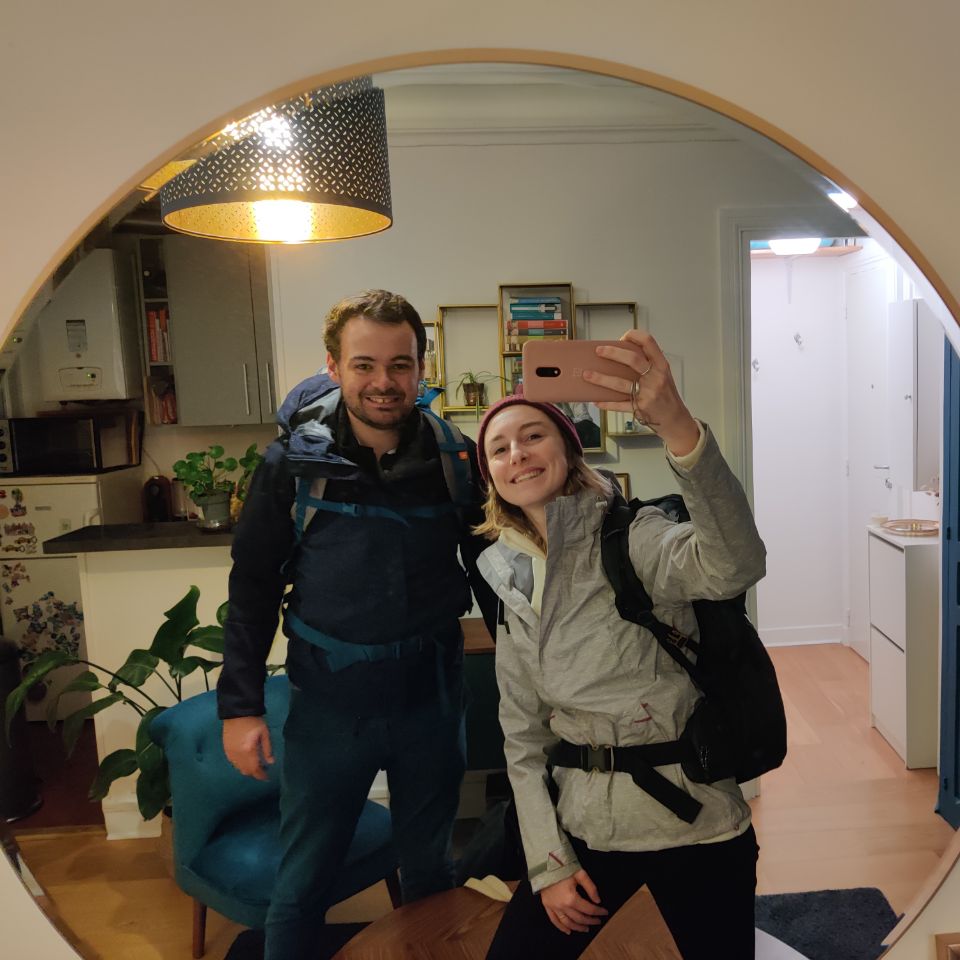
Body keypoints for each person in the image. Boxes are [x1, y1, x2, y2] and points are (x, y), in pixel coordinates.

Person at [216, 289, 498, 960]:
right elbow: (253, 585)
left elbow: (491, 576)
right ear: (334, 366)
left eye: (400, 365)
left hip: (431, 701)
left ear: (422, 368)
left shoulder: (457, 459)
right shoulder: (291, 464)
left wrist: (529, 672)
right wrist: (240, 707)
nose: (383, 382)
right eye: (364, 364)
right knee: (304, 880)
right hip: (329, 706)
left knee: (430, 872)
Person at [473, 329, 767, 960]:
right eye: (498, 448)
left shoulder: (634, 537)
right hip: (585, 827)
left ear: (567, 448)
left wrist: (678, 428)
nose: (517, 454)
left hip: (695, 821)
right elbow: (522, 737)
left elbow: (735, 564)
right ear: (491, 476)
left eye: (533, 435)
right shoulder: (507, 576)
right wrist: (549, 865)